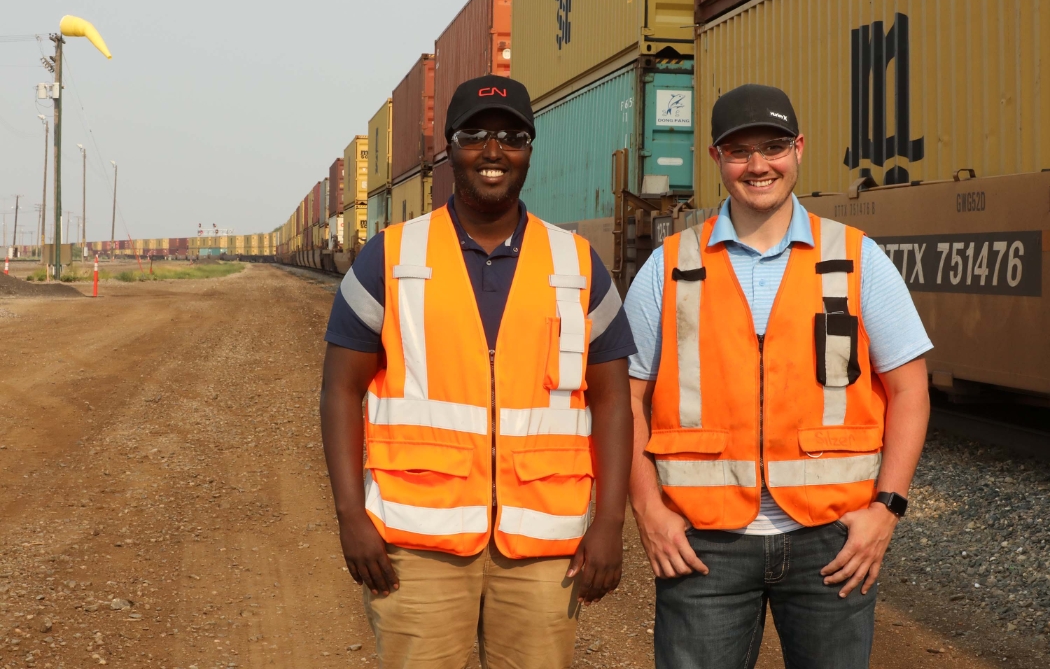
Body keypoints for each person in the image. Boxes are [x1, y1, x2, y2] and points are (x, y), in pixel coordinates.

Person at [320, 75, 636, 669]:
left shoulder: (577, 263)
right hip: (417, 542)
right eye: (475, 136)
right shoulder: (390, 256)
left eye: (512, 137)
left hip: (544, 546)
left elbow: (613, 400)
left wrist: (611, 524)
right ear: (449, 150)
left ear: (529, 150)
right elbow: (340, 389)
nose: (494, 151)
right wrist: (349, 515)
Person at [624, 84, 932, 668]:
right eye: (739, 151)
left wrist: (886, 510)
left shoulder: (857, 258)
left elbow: (910, 390)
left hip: (832, 542)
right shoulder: (670, 266)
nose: (758, 165)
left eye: (773, 147)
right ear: (716, 159)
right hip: (703, 545)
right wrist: (648, 510)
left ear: (799, 149)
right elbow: (627, 398)